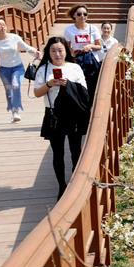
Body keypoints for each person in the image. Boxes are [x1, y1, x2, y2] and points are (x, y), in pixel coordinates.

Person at [33, 37, 90, 199]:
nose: (57, 54)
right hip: (53, 115)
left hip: (73, 115)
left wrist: (68, 84)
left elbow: (84, 93)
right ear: (48, 53)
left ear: (66, 51)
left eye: (60, 50)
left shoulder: (75, 68)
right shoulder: (43, 69)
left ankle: (75, 182)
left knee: (75, 150)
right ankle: (61, 186)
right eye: (53, 51)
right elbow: (37, 93)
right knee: (57, 153)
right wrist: (50, 84)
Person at [0, 17, 40, 122]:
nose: (2, 27)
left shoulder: (14, 37)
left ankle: (16, 109)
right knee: (9, 91)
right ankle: (14, 112)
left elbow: (26, 47)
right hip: (4, 70)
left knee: (15, 85)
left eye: (3, 24)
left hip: (17, 67)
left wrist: (35, 52)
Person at [63, 5, 102, 102]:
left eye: (85, 14)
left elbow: (99, 46)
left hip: (91, 60)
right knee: (79, 83)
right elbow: (67, 47)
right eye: (79, 14)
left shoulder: (93, 28)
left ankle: (91, 103)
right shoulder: (69, 30)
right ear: (74, 16)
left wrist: (90, 46)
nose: (82, 16)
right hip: (77, 60)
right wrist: (72, 52)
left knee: (92, 83)